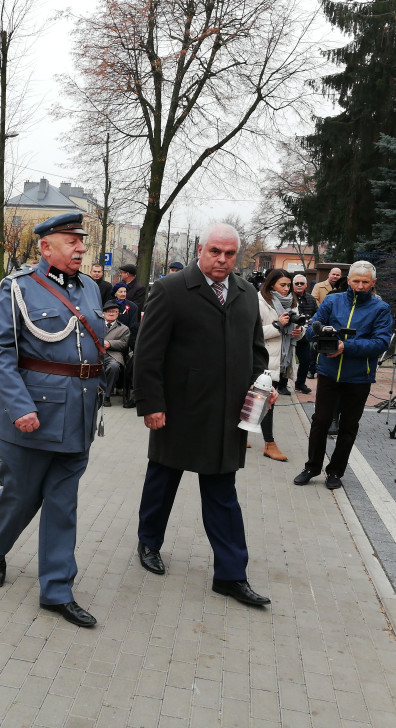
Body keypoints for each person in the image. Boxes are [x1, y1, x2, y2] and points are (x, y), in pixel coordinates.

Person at [132, 223, 272, 608]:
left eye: (229, 254)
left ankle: (230, 575)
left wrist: (262, 384)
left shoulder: (245, 294)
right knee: (162, 481)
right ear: (200, 249)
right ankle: (149, 542)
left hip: (228, 414)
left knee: (223, 494)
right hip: (178, 410)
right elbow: (148, 353)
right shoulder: (171, 290)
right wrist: (151, 404)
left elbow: (257, 350)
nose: (222, 260)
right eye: (215, 252)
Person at [0, 212, 105, 628]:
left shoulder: (90, 287)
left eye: (81, 241)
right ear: (45, 246)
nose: (81, 248)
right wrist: (20, 407)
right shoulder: (16, 288)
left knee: (62, 504)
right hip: (32, 416)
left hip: (78, 415)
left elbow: (94, 344)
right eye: (71, 241)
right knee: (19, 497)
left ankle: (56, 590)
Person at [294, 260, 393, 490]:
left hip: (359, 376)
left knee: (348, 426)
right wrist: (320, 334)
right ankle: (312, 467)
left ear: (373, 283)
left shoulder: (381, 309)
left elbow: (380, 343)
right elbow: (312, 331)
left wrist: (344, 346)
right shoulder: (332, 300)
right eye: (356, 281)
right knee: (320, 421)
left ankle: (335, 471)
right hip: (328, 372)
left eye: (365, 282)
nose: (360, 286)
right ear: (347, 281)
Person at [257, 269, 304, 462]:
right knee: (268, 402)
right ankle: (270, 444)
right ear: (271, 285)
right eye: (282, 285)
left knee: (257, 400)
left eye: (288, 285)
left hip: (282, 359)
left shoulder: (292, 302)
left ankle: (239, 434)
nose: (286, 289)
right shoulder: (259, 302)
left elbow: (299, 332)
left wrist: (298, 332)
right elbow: (251, 332)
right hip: (263, 359)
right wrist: (277, 326)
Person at [291, 273, 318, 391]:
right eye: (296, 283)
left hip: (304, 336)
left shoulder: (311, 299)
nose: (299, 285)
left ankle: (300, 384)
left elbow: (317, 313)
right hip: (291, 335)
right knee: (287, 361)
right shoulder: (288, 298)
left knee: (306, 360)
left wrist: (313, 319)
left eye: (302, 283)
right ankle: (282, 384)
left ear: (306, 285)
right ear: (293, 285)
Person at [101, 299, 130, 404]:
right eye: (109, 311)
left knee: (114, 366)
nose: (111, 313)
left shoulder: (124, 329)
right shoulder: (96, 325)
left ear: (118, 314)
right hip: (96, 354)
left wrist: (110, 343)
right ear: (103, 313)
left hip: (113, 355)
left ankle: (106, 396)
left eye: (114, 311)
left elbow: (124, 344)